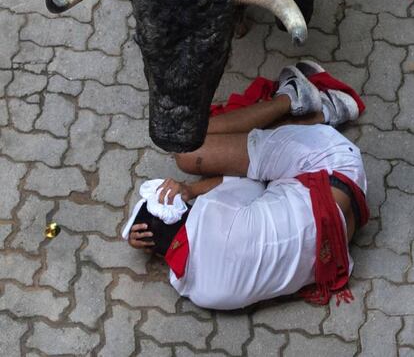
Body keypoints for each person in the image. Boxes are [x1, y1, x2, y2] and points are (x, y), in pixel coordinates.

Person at [125, 61, 369, 309]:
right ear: (183, 210)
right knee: (188, 152)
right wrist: (190, 189)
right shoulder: (209, 213)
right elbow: (249, 178)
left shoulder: (201, 294)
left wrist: (152, 240)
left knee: (258, 168)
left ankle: (314, 113)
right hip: (334, 166)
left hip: (339, 237)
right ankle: (304, 103)